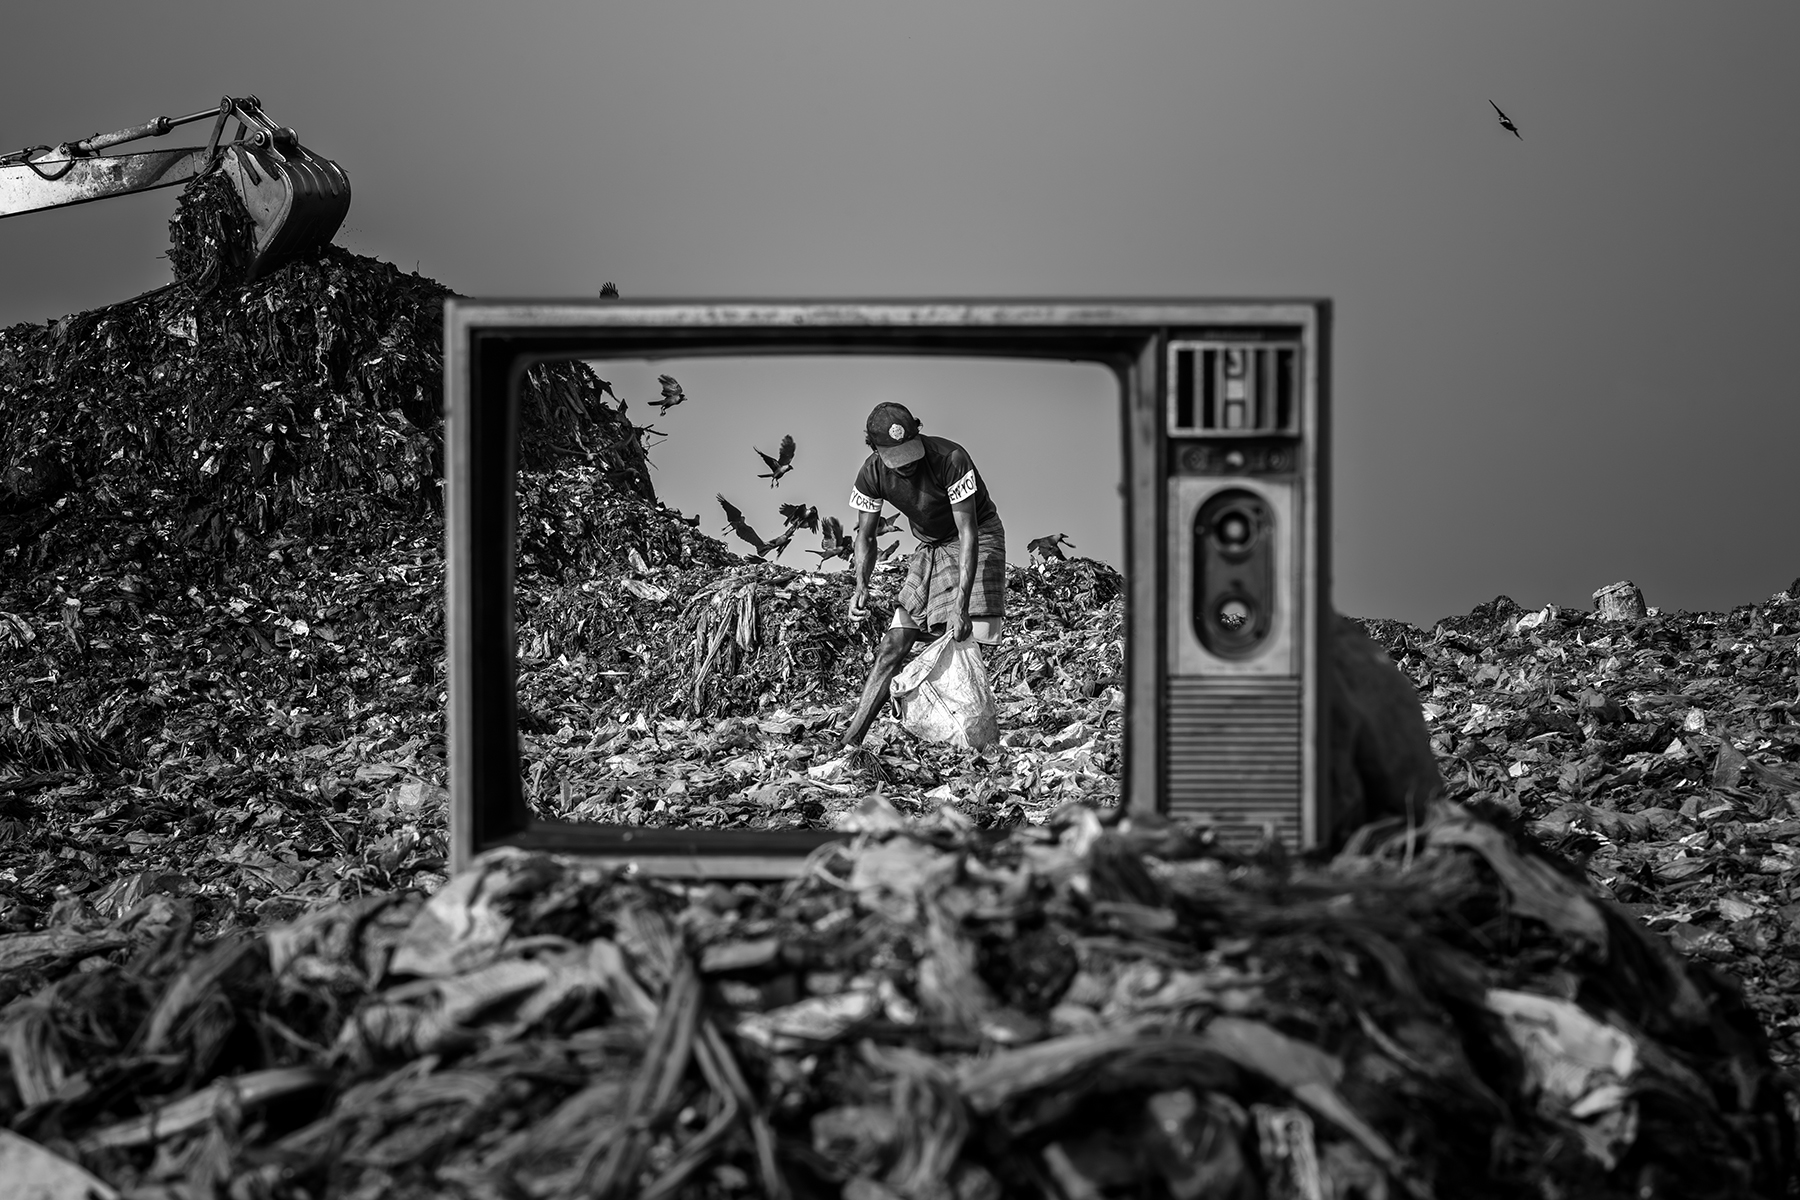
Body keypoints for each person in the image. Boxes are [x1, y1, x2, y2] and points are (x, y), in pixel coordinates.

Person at [840, 402, 1006, 749]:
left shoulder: (951, 459)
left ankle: (971, 734)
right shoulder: (871, 474)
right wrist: (861, 585)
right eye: (897, 458)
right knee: (892, 645)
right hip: (930, 547)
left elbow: (968, 532)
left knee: (961, 636)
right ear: (875, 450)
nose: (907, 464)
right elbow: (865, 537)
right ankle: (851, 740)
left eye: (910, 453)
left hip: (975, 536)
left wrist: (960, 606)